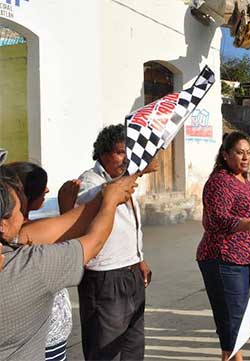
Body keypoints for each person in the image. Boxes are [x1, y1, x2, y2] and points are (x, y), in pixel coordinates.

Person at [0, 170, 139, 360]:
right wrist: (109, 202)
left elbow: (64, 227)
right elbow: (93, 242)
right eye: (17, 210)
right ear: (2, 224)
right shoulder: (28, 264)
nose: (21, 217)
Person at [75, 124, 154, 360]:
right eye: (120, 152)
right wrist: (137, 172)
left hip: (130, 272)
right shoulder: (89, 180)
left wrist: (139, 258)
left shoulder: (123, 179)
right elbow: (99, 197)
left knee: (133, 344)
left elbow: (130, 226)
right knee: (104, 347)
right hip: (105, 276)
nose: (125, 159)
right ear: (103, 153)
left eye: (128, 153)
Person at [197, 131, 250, 361]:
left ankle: (230, 356)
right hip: (223, 257)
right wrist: (246, 224)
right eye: (240, 153)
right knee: (231, 319)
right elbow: (216, 218)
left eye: (249, 153)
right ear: (226, 154)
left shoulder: (243, 179)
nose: (246, 157)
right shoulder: (220, 180)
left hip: (241, 257)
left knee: (234, 317)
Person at [2, 162, 75, 361]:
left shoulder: (28, 228)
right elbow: (81, 242)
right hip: (40, 340)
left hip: (50, 336)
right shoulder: (23, 234)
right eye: (42, 185)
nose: (48, 189)